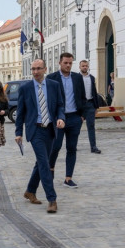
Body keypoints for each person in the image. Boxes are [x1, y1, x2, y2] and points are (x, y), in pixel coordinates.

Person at [15, 59, 66, 214]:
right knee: (44, 163)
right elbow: (20, 112)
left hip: (50, 129)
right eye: (33, 69)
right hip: (35, 130)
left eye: (38, 68)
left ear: (45, 69)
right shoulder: (26, 88)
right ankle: (52, 199)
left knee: (41, 162)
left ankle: (30, 190)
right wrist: (18, 132)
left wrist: (61, 117)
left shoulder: (54, 85)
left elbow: (60, 105)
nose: (35, 72)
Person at [47, 52, 86, 188]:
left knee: (71, 148)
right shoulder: (52, 78)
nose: (68, 65)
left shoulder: (77, 78)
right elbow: (48, 100)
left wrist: (82, 116)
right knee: (55, 146)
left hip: (74, 117)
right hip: (58, 118)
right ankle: (50, 168)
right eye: (66, 63)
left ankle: (68, 178)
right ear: (60, 63)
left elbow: (82, 97)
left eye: (70, 63)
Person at [79, 59, 101, 154]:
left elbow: (94, 92)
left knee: (91, 126)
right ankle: (72, 145)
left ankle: (93, 146)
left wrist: (96, 106)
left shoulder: (92, 77)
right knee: (76, 127)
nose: (85, 67)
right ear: (80, 67)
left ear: (88, 67)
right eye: (83, 66)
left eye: (86, 66)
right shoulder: (76, 77)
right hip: (80, 105)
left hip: (90, 104)